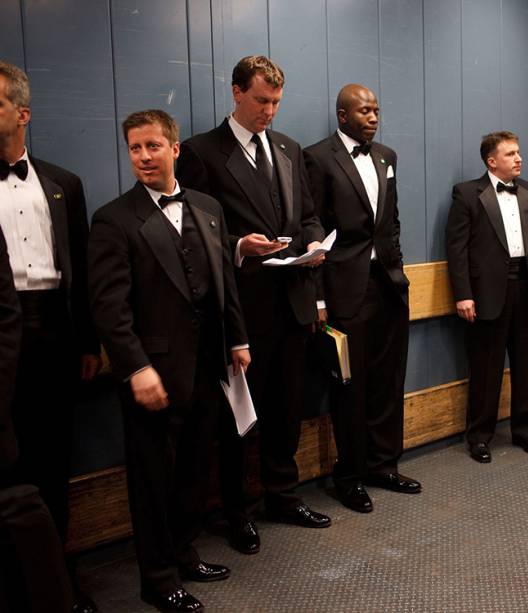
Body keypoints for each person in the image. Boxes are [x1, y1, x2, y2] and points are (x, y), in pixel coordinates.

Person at [88, 110, 250, 612]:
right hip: (151, 373)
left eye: (153, 146)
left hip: (207, 365)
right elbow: (108, 308)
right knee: (153, 478)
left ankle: (183, 551)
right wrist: (136, 368)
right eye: (135, 148)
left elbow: (225, 284)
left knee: (194, 469)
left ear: (175, 149)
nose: (143, 157)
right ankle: (156, 578)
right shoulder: (114, 219)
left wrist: (239, 339)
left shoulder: (207, 207)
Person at [176, 55, 330, 555]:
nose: (270, 111)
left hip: (293, 301)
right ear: (237, 92)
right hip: (240, 308)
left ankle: (282, 495)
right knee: (238, 417)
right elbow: (191, 234)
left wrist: (312, 248)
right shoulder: (201, 152)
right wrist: (240, 246)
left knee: (287, 407)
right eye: (262, 100)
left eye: (277, 102)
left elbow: (306, 213)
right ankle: (236, 509)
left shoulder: (287, 147)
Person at [0, 60, 101, 613]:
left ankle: (57, 583)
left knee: (52, 464)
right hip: (2, 336)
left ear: (23, 113)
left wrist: (88, 342)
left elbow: (81, 269)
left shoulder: (64, 184)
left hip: (54, 337)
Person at [302, 84, 420, 513]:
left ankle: (383, 465)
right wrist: (318, 299)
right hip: (343, 288)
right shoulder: (317, 157)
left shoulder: (387, 156)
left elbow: (391, 222)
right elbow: (310, 225)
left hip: (388, 284)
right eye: (364, 110)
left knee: (389, 379)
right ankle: (348, 476)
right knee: (350, 387)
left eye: (376, 109)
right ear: (342, 115)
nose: (373, 117)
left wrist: (400, 270)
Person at [445, 131, 528, 464]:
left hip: (525, 290)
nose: (518, 158)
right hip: (485, 295)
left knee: (524, 365)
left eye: (519, 152)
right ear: (491, 161)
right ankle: (479, 436)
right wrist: (463, 295)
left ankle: (524, 431)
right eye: (510, 154)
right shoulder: (467, 194)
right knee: (486, 369)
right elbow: (457, 250)